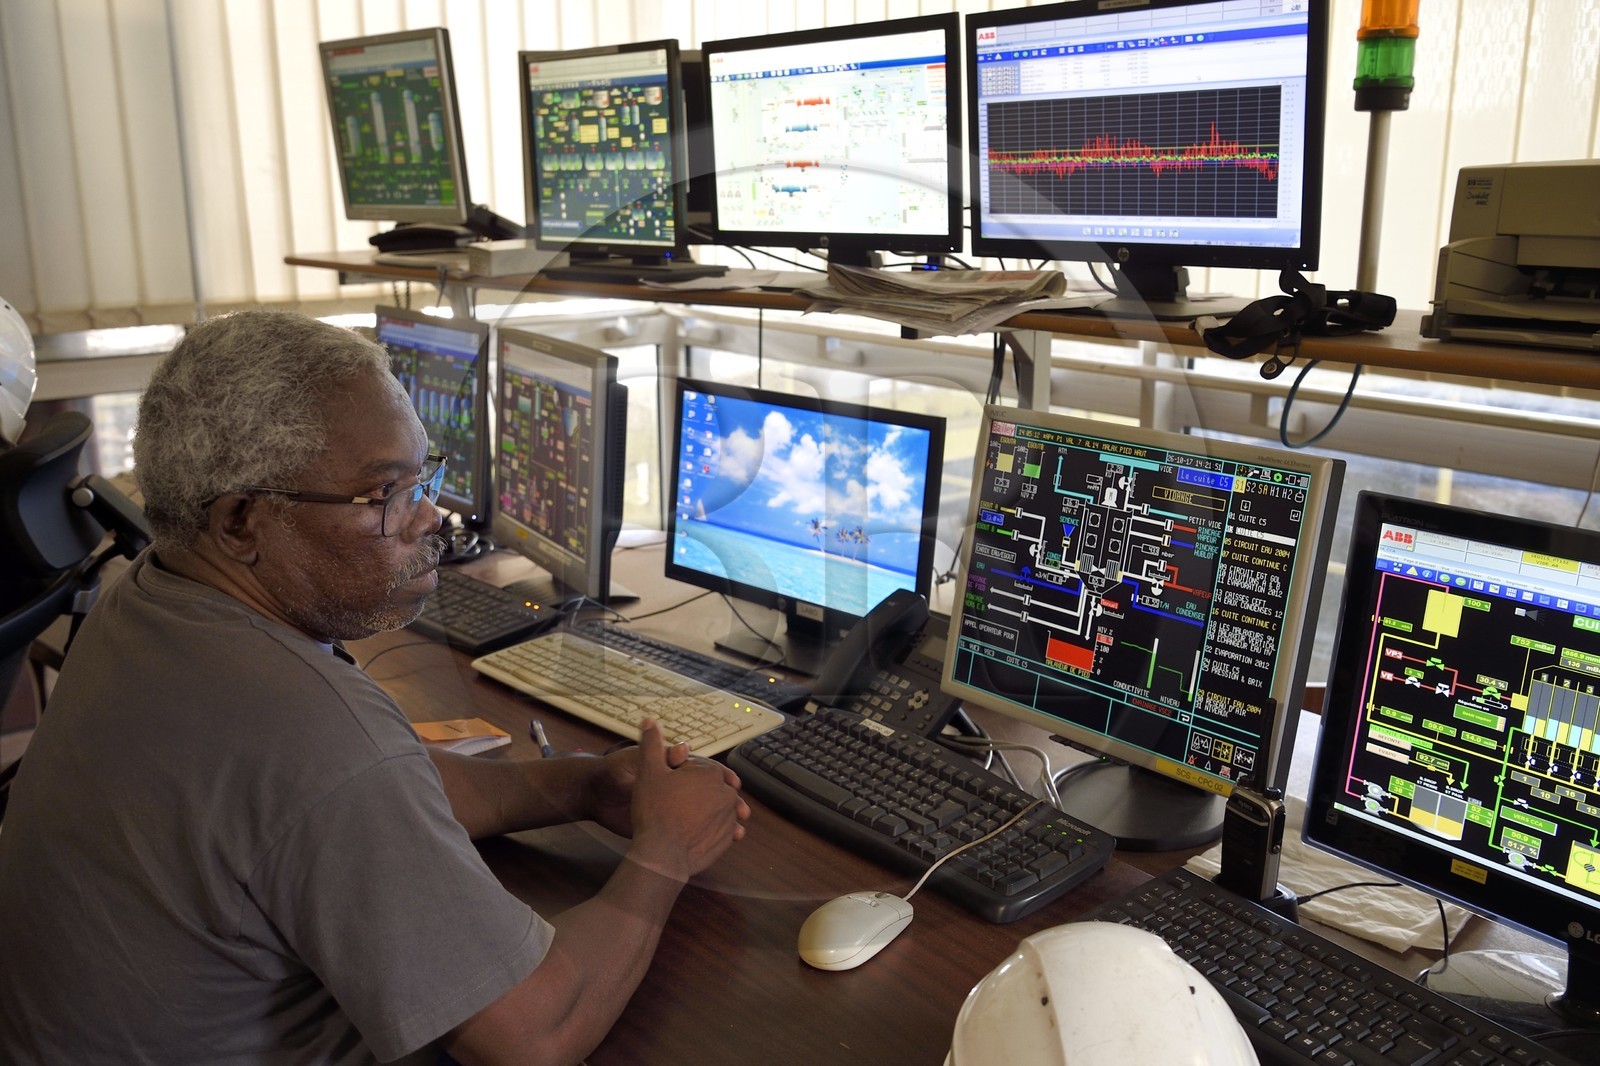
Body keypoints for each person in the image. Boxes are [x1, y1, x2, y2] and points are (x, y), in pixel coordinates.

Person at [0, 310, 751, 1064]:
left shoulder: (147, 595)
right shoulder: (308, 730)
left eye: (423, 476)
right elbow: (532, 1035)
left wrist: (580, 789)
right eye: (384, 492)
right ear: (239, 522)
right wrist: (665, 854)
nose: (427, 517)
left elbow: (356, 799)